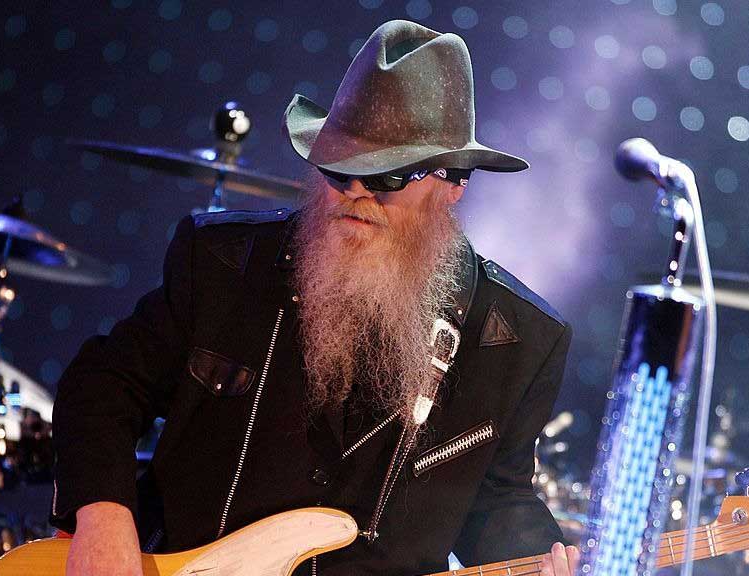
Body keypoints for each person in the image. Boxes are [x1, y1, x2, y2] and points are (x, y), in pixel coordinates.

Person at [52, 19, 578, 576]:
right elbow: (104, 386)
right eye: (336, 169)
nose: (354, 192)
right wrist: (104, 516)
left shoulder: (516, 340)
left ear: (453, 183)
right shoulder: (223, 263)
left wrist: (540, 562)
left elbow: (499, 497)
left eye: (385, 177)